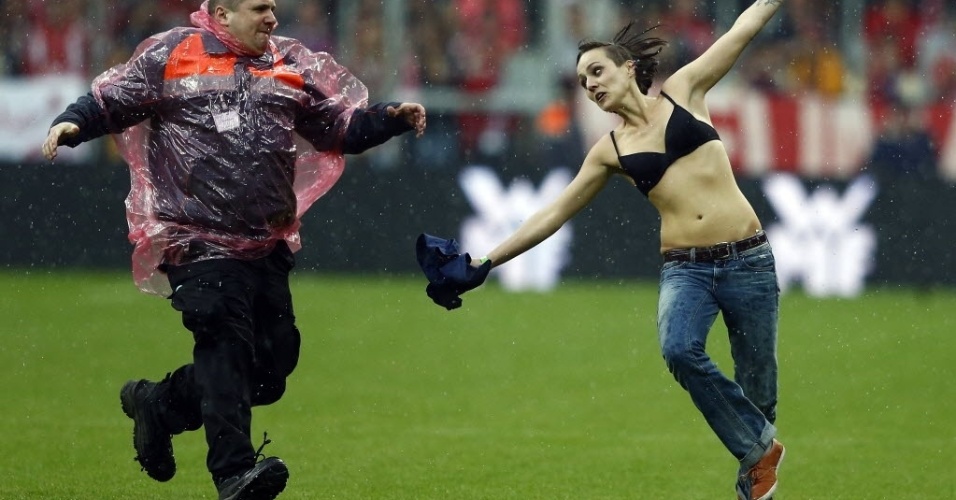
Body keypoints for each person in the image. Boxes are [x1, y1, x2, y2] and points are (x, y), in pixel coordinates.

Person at [40, 1, 426, 499]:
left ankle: (160, 405)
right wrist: (72, 122)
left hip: (264, 244)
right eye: (259, 8)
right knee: (225, 345)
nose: (272, 19)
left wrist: (389, 118)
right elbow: (112, 100)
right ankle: (234, 472)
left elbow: (335, 126)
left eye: (273, 8)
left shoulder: (285, 64)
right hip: (196, 240)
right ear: (222, 14)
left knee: (271, 368)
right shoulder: (173, 54)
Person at [420, 1, 786, 499]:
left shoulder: (684, 91)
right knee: (679, 349)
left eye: (596, 71)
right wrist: (485, 262)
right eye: (582, 81)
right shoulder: (609, 150)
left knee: (759, 389)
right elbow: (553, 213)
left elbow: (744, 28)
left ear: (628, 68)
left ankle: (755, 462)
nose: (590, 85)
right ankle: (759, 452)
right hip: (687, 270)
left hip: (749, 259)